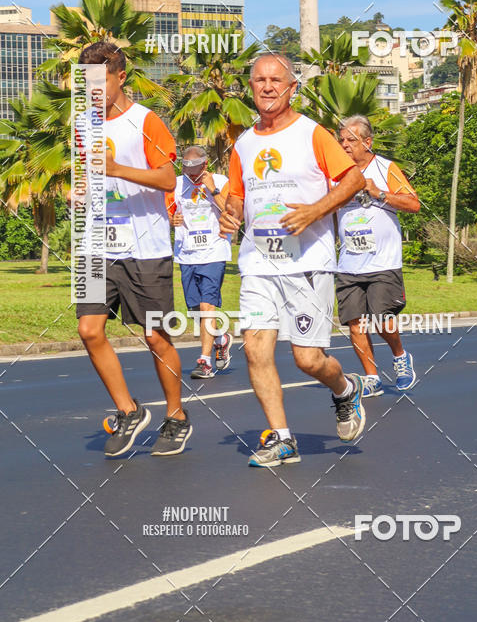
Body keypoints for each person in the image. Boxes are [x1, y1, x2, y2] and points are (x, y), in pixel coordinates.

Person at [219, 53, 367, 468]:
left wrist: (315, 211)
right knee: (255, 350)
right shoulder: (244, 143)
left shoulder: (312, 134)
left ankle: (344, 389)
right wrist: (230, 217)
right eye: (259, 80)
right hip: (258, 264)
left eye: (275, 80)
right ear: (250, 86)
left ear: (291, 87)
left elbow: (355, 179)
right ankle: (282, 438)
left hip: (308, 263)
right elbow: (237, 196)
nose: (267, 87)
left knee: (308, 359)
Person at [75, 41, 192, 457]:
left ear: (120, 77)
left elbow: (167, 180)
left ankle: (176, 416)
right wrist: (82, 193)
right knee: (89, 330)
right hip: (97, 243)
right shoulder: (83, 125)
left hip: (146, 246)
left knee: (156, 337)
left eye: (99, 81)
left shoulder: (146, 122)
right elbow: (92, 180)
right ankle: (128, 409)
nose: (92, 91)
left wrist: (118, 169)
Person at [335, 116, 420, 396]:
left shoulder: (386, 168)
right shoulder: (335, 174)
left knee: (383, 319)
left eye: (351, 140)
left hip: (383, 261)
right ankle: (372, 377)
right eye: (342, 140)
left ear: (367, 142)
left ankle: (399, 357)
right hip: (348, 262)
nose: (344, 145)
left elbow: (413, 203)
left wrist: (379, 192)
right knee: (355, 323)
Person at [168, 145, 233, 378]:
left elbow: (231, 211)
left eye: (195, 170)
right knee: (195, 310)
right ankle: (221, 338)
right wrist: (172, 219)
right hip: (187, 253)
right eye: (187, 169)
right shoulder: (177, 184)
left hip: (214, 252)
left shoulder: (220, 180)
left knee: (207, 307)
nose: (191, 174)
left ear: (205, 165)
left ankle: (204, 361)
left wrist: (212, 189)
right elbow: (167, 212)